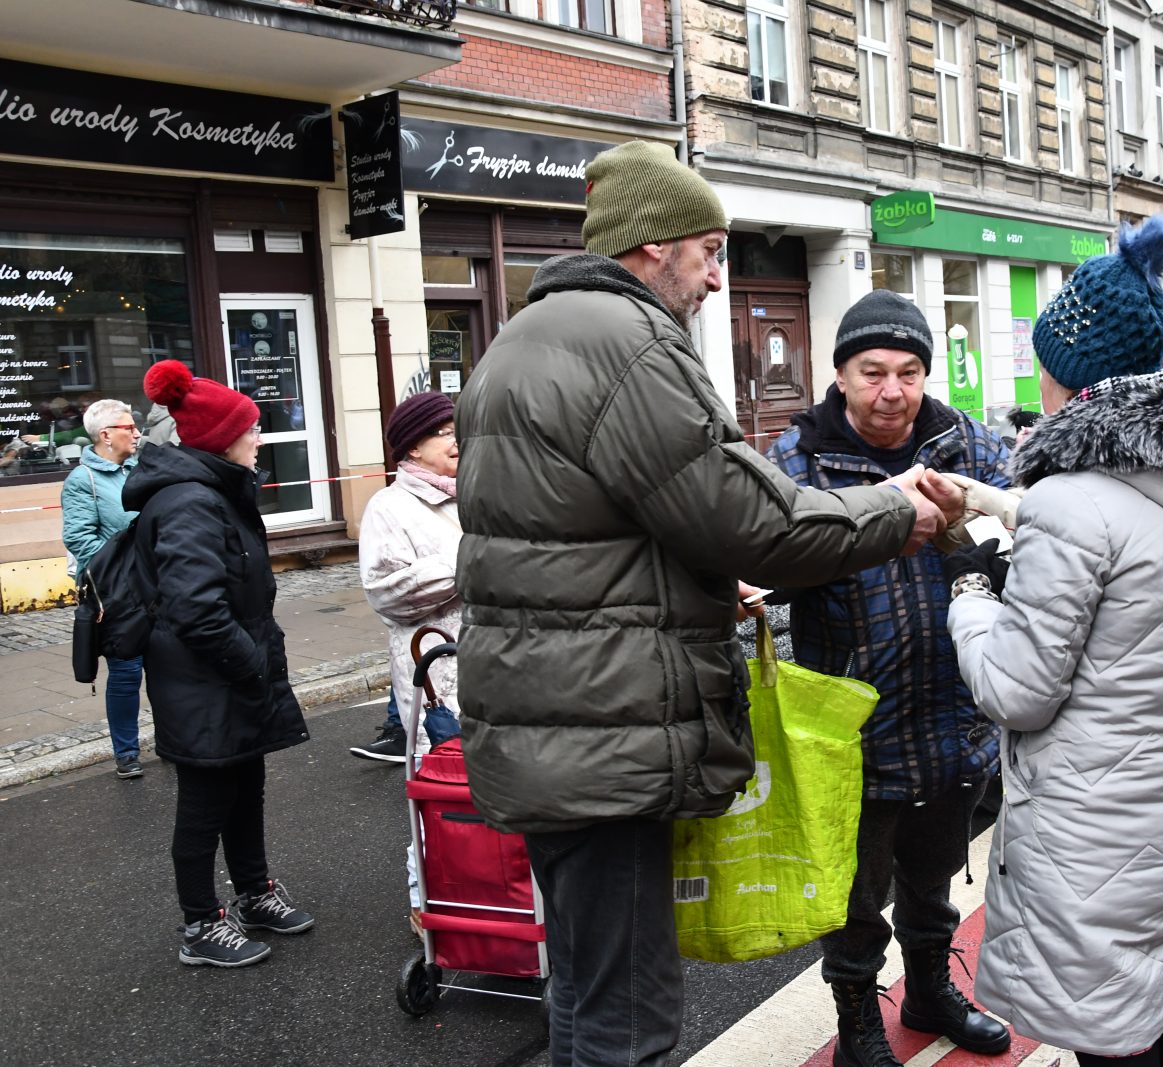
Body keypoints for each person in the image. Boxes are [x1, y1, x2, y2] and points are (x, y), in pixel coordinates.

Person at [452, 140, 955, 1066]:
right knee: (629, 1022)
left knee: (585, 995)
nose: (719, 278)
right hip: (603, 729)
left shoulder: (520, 340)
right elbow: (750, 522)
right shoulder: (629, 342)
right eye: (710, 252)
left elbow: (594, 531)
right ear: (655, 243)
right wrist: (894, 511)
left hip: (551, 722)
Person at [945, 218, 1163, 1066]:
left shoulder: (1071, 498)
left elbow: (1016, 689)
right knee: (1154, 1013)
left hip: (1095, 825)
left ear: (1065, 369)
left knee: (1116, 1037)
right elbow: (1135, 561)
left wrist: (971, 590)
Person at [764, 291, 1012, 1067]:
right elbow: (767, 557)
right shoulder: (797, 459)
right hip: (852, 721)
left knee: (934, 878)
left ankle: (931, 990)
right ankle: (858, 1022)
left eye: (908, 372)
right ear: (840, 374)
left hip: (952, 710)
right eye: (872, 372)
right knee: (854, 893)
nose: (892, 391)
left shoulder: (968, 442)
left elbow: (1024, 532)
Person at [125, 360, 312, 968]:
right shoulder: (190, 502)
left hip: (225, 677)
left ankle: (253, 893)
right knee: (205, 805)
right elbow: (196, 608)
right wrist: (249, 663)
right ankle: (201, 924)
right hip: (204, 680)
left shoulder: (214, 491)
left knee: (245, 788)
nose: (259, 438)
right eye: (250, 429)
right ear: (221, 438)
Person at [352, 391, 463, 764]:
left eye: (459, 430)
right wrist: (469, 562)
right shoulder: (389, 507)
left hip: (498, 671)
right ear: (414, 448)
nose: (458, 441)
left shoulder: (475, 494)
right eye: (445, 433)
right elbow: (387, 594)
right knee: (449, 787)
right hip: (442, 682)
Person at [59, 399, 146, 779]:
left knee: (166, 668)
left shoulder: (140, 470)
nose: (137, 433)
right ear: (106, 435)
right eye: (129, 427)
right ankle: (126, 752)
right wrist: (127, 566)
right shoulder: (83, 480)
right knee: (126, 673)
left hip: (156, 587)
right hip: (117, 595)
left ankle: (174, 739)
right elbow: (80, 540)